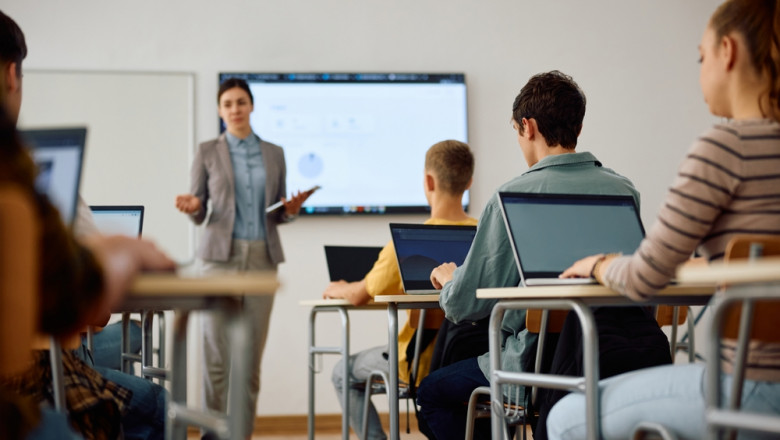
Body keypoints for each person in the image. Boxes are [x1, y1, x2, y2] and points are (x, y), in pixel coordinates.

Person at [549, 1, 780, 439]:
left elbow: (644, 279)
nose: (700, 70)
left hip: (749, 390)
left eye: (701, 56)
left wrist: (599, 264)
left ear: (727, 52)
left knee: (565, 417)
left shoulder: (726, 147)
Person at [417, 71, 650, 440]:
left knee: (431, 393)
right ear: (579, 125)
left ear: (527, 127)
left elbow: (464, 306)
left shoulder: (513, 196)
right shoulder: (624, 191)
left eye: (515, 130)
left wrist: (449, 281)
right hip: (617, 360)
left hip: (535, 369)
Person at [0, 10, 176, 440]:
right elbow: (84, 311)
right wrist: (119, 252)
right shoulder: (18, 174)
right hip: (22, 386)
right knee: (155, 404)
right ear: (11, 75)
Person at [175, 77, 310, 438]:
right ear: (220, 112)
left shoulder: (274, 153)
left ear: (252, 106)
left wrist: (291, 209)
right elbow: (200, 210)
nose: (235, 109)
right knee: (215, 361)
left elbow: (278, 210)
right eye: (227, 104)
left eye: (241, 102)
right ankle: (212, 435)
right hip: (218, 259)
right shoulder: (207, 151)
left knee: (249, 364)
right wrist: (192, 207)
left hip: (262, 259)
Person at [322, 139, 477, 440]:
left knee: (342, 372)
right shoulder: (484, 235)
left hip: (418, 363)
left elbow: (359, 294)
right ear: (469, 181)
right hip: (470, 360)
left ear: (428, 181)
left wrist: (340, 287)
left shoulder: (406, 243)